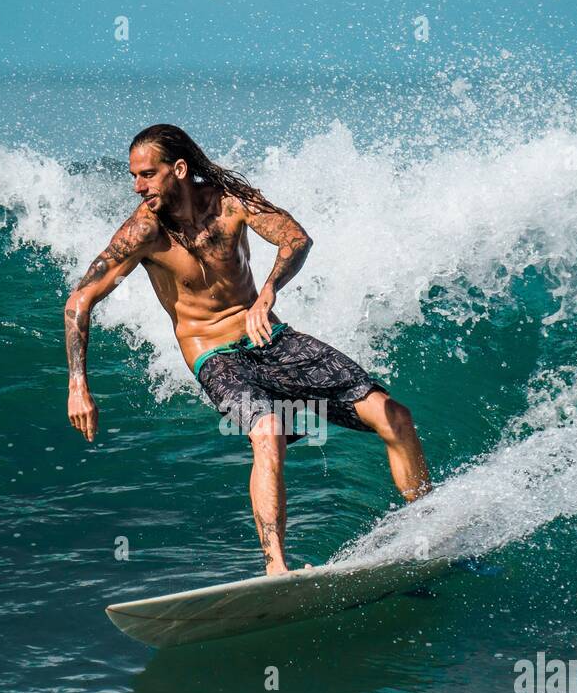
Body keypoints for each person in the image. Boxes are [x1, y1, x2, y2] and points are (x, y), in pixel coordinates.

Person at [65, 124, 431, 574]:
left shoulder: (230, 203)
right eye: (134, 176)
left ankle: (425, 532)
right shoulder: (143, 232)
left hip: (270, 338)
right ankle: (276, 567)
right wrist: (78, 384)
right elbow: (80, 299)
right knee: (268, 431)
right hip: (215, 357)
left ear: (178, 169)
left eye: (147, 174)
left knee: (394, 414)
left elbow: (296, 238)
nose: (138, 186)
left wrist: (268, 293)